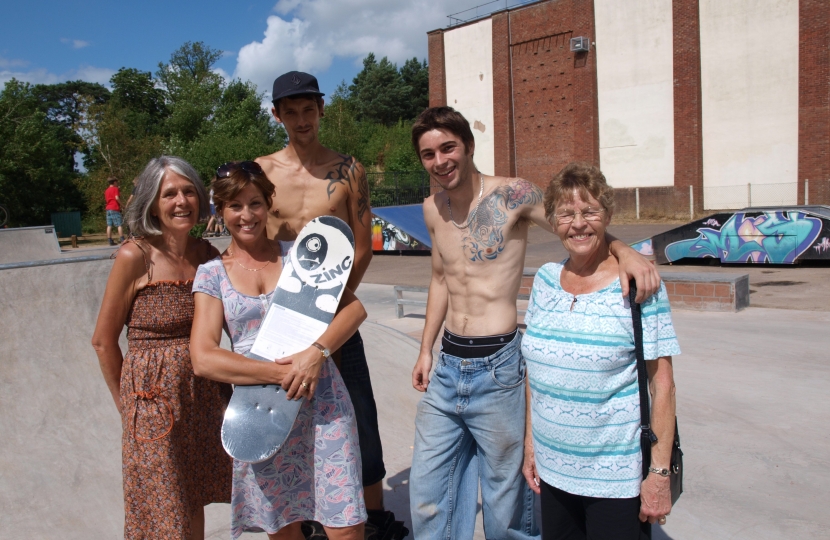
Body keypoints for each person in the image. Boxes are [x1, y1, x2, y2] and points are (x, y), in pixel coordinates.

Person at [408, 107, 662, 539]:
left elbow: (574, 226)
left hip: (499, 366)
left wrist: (626, 251)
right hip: (448, 364)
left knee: (506, 500)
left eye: (448, 148)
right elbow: (440, 277)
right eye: (428, 154)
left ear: (468, 146)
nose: (440, 161)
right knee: (428, 493)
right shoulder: (433, 208)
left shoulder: (515, 194)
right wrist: (426, 348)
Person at [189, 161, 367, 540]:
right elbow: (203, 357)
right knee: (283, 529)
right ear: (220, 211)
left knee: (346, 526)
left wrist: (317, 352)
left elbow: (354, 310)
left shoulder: (299, 255)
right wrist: (280, 373)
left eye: (255, 203)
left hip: (323, 405)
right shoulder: (212, 273)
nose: (247, 215)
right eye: (235, 206)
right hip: (262, 413)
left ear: (269, 203)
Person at [255, 71, 394, 534]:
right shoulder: (262, 171)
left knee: (360, 422)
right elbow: (249, 238)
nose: (301, 120)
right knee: (292, 429)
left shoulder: (348, 169)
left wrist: (333, 304)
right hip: (280, 323)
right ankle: (306, 518)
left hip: (334, 316)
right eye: (290, 112)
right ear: (277, 115)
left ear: (320, 110)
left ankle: (374, 519)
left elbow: (363, 242)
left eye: (308, 110)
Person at [521, 162, 680, 540]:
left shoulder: (639, 286)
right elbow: (536, 373)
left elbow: (663, 386)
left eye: (589, 211)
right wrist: (531, 445)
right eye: (566, 214)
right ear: (553, 221)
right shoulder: (544, 281)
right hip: (553, 469)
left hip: (615, 478)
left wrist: (658, 476)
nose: (578, 223)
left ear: (607, 215)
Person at [91, 156, 232, 539]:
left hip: (204, 395)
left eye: (189, 191)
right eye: (170, 193)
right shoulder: (134, 256)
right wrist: (129, 407)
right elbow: (104, 342)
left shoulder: (207, 255)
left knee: (194, 498)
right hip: (152, 399)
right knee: (161, 510)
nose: (181, 201)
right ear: (154, 202)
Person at [104, 176, 125, 245]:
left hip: (108, 208)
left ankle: (110, 240)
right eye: (117, 182)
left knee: (109, 225)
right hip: (114, 208)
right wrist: (122, 205)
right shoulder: (115, 189)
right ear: (115, 182)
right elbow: (116, 198)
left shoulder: (106, 190)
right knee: (119, 224)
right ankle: (122, 238)